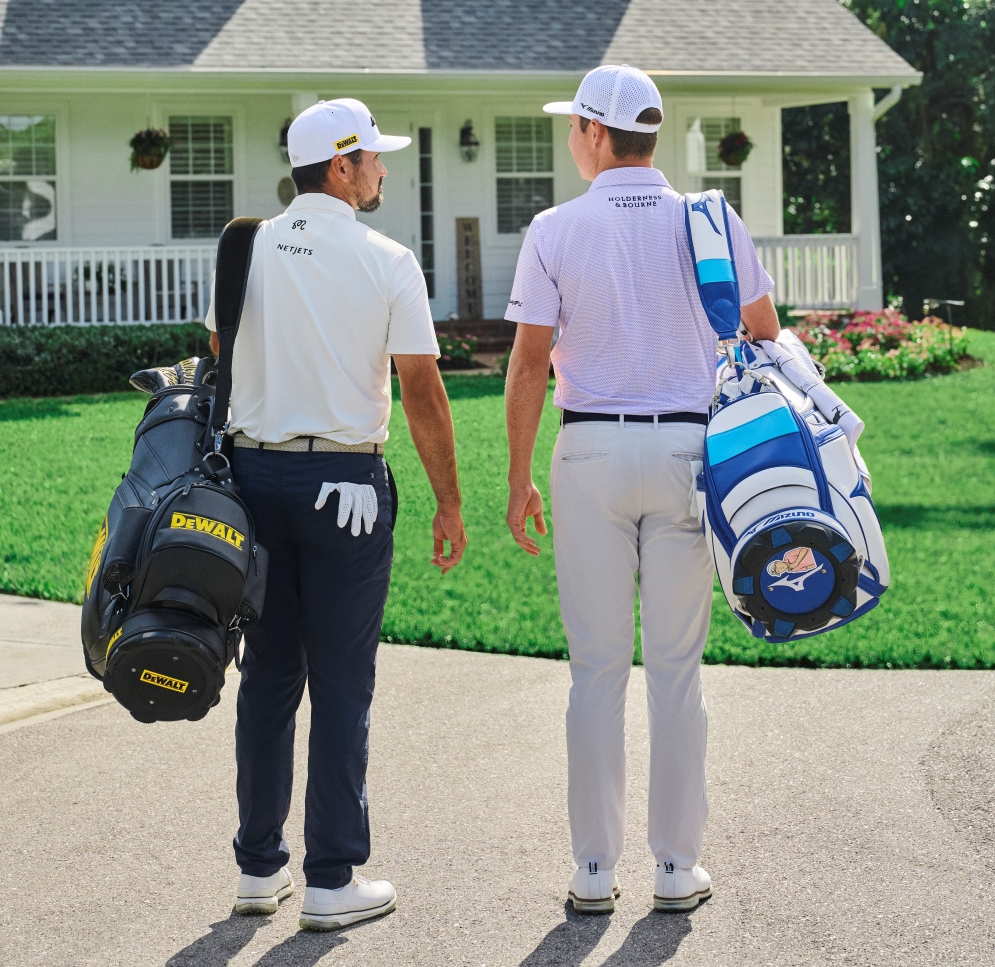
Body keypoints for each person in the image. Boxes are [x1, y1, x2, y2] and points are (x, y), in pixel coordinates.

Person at [501, 65, 779, 914]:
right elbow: (763, 335)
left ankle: (593, 868)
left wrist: (517, 478)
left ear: (592, 131)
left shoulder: (555, 227)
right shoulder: (711, 218)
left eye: (572, 127)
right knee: (676, 672)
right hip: (691, 456)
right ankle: (674, 866)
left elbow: (527, 364)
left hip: (588, 454)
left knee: (594, 670)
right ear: (649, 135)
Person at [207, 97, 467, 932]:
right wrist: (449, 499)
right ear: (342, 167)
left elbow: (222, 356)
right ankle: (330, 878)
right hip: (346, 488)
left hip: (253, 484)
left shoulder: (244, 250)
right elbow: (423, 388)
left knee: (269, 675)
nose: (384, 169)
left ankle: (256, 867)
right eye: (375, 158)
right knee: (343, 682)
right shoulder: (388, 258)